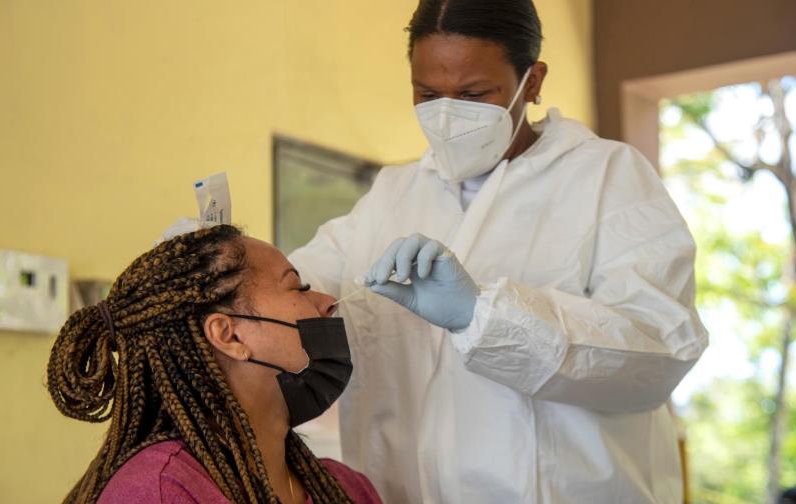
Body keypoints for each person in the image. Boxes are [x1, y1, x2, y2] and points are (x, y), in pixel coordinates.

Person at [287, 0, 709, 502]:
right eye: (427, 93)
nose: (446, 115)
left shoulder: (606, 178)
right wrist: (214, 257)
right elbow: (294, 284)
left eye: (473, 94)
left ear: (532, 82)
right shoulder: (392, 194)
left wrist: (485, 317)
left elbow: (659, 350)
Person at [47, 225, 382, 504]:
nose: (327, 302)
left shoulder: (347, 489)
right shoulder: (160, 491)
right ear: (229, 336)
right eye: (298, 287)